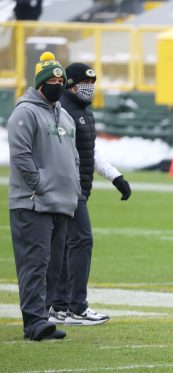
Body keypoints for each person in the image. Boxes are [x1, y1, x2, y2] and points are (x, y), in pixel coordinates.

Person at [47, 62, 131, 326]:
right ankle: (76, 307)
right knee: (82, 242)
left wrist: (114, 176)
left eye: (93, 83)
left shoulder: (82, 112)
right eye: (84, 83)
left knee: (64, 246)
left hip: (77, 188)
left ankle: (59, 306)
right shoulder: (63, 112)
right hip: (67, 189)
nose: (89, 88)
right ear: (69, 84)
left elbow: (89, 151)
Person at [8, 51, 81, 341]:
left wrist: (72, 185)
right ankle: (34, 321)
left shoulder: (64, 115)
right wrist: (39, 183)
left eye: (59, 80)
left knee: (53, 267)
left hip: (62, 202)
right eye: (50, 80)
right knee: (35, 264)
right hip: (33, 203)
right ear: (39, 83)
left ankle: (44, 316)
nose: (56, 84)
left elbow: (73, 156)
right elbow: (21, 155)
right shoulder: (24, 112)